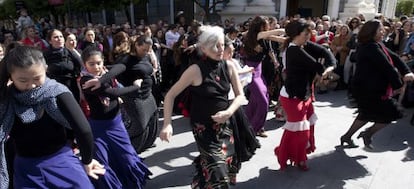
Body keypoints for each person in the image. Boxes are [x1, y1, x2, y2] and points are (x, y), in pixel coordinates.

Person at [0, 46, 105, 189]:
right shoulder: (6, 99)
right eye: (23, 80)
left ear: (46, 70)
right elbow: (84, 130)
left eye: (37, 78)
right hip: (29, 169)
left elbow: (84, 130)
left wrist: (87, 160)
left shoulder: (56, 92)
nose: (31, 85)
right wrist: (87, 160)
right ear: (10, 76)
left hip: (58, 161)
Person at [160, 25, 246, 188]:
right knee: (218, 174)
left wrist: (228, 112)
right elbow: (170, 95)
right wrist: (167, 124)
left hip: (225, 126)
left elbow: (240, 95)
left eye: (222, 44)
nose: (220, 49)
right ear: (204, 48)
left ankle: (200, 183)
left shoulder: (228, 66)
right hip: (203, 128)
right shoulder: (195, 70)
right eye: (215, 46)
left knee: (224, 166)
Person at [79, 47, 151, 188]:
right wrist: (135, 87)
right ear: (84, 65)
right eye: (91, 64)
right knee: (102, 162)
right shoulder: (85, 80)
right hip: (99, 128)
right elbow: (114, 93)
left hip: (116, 124)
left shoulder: (105, 72)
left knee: (127, 158)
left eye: (99, 63)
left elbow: (121, 66)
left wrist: (103, 78)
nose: (96, 67)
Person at [340, 19, 414, 149]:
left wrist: (406, 71)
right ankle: (367, 134)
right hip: (367, 89)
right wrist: (398, 86)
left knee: (366, 114)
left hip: (370, 88)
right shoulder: (370, 47)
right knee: (391, 114)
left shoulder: (376, 44)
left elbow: (395, 58)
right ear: (372, 32)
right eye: (380, 29)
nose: (383, 31)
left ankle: (348, 137)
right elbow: (387, 67)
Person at [274, 19, 336, 171]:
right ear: (296, 35)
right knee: (300, 132)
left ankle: (299, 157)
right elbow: (316, 65)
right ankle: (284, 154)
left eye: (310, 33)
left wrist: (331, 65)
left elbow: (324, 52)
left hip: (305, 94)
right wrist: (326, 71)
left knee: (307, 128)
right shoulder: (294, 50)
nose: (309, 36)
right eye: (306, 33)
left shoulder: (303, 45)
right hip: (293, 96)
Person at [83, 35, 159, 154]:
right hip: (118, 110)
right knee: (138, 126)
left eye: (148, 50)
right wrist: (135, 87)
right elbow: (115, 80)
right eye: (144, 49)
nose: (146, 52)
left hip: (144, 97)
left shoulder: (144, 57)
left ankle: (145, 144)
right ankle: (134, 149)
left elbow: (113, 69)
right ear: (137, 45)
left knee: (151, 119)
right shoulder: (87, 80)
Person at [242, 16, 285, 137]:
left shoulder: (265, 36)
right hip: (251, 71)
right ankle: (253, 129)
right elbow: (277, 32)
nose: (268, 27)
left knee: (255, 100)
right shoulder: (256, 35)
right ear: (260, 26)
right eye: (266, 25)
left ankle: (251, 125)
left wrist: (294, 39)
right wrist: (286, 30)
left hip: (259, 70)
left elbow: (276, 41)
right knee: (263, 101)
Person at [43, 29, 83, 102]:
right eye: (56, 37)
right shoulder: (45, 55)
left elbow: (81, 67)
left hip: (71, 87)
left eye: (61, 36)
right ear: (50, 41)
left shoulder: (70, 52)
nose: (59, 39)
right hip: (55, 89)